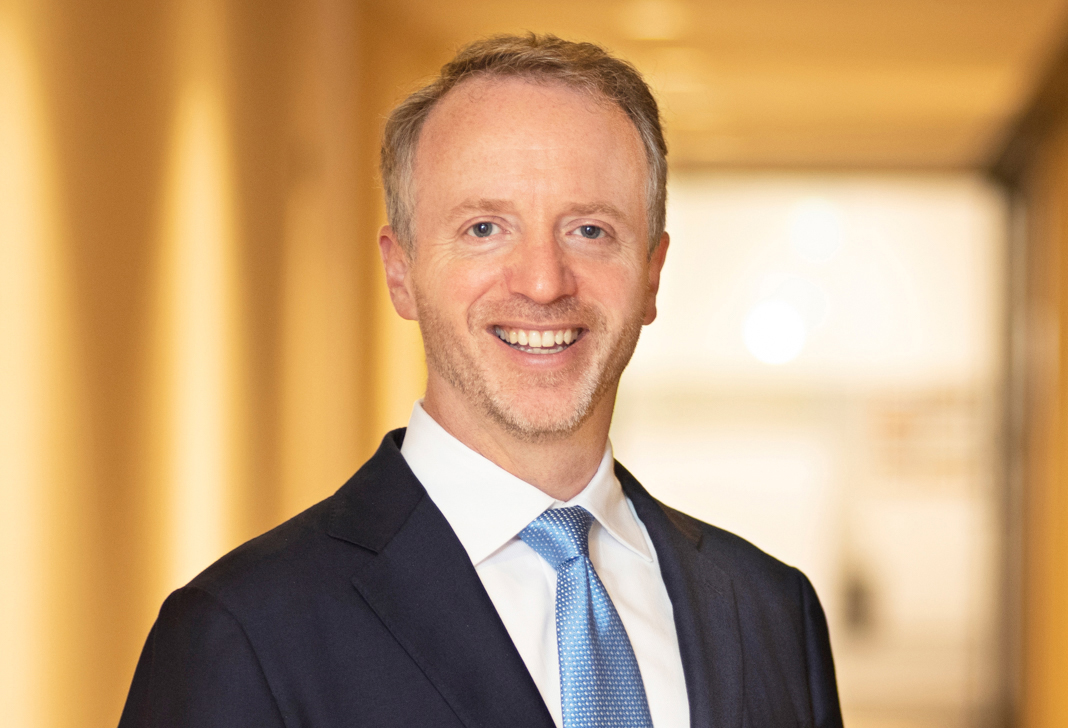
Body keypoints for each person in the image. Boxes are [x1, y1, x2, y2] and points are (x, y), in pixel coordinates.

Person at [119, 34, 843, 728]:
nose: (543, 281)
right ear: (400, 272)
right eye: (485, 229)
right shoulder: (243, 633)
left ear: (651, 274)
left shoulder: (772, 611)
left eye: (590, 230)